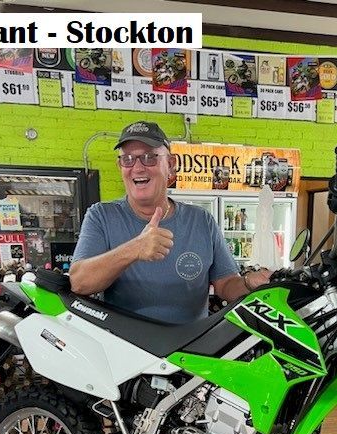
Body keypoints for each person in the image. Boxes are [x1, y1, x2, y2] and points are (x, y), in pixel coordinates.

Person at [70, 120, 270, 324]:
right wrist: (135, 249)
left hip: (190, 350)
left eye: (149, 158)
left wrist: (248, 284)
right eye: (128, 159)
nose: (137, 168)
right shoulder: (101, 216)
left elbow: (226, 284)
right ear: (120, 166)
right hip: (126, 349)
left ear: (171, 165)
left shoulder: (202, 221)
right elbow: (79, 282)